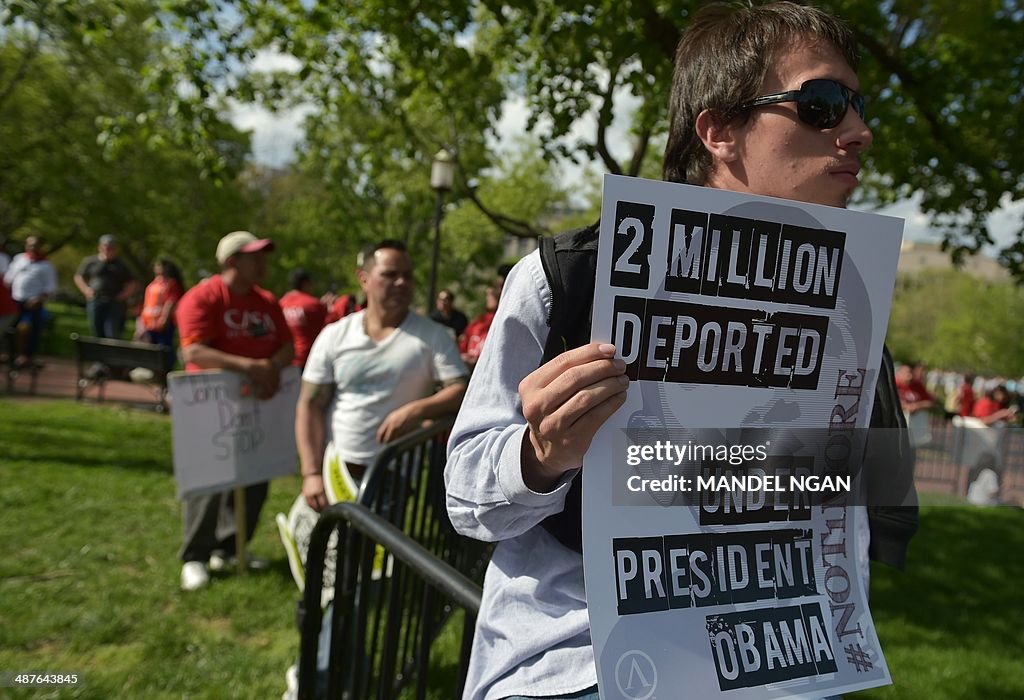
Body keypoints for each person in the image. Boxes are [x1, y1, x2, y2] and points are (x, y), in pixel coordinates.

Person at [446, 4, 917, 699]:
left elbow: (853, 516)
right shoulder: (572, 279)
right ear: (719, 130)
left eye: (857, 105)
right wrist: (540, 457)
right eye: (822, 104)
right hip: (588, 668)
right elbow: (465, 498)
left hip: (784, 669)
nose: (858, 132)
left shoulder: (851, 298)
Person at [296, 239, 468, 512]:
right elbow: (310, 403)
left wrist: (417, 410)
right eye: (390, 274)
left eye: (407, 275)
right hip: (335, 470)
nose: (402, 282)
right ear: (363, 279)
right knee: (328, 552)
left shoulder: (433, 336)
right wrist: (311, 473)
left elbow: (460, 389)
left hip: (392, 474)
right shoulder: (335, 334)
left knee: (374, 554)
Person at [175, 230, 294, 591]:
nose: (262, 263)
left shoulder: (267, 302)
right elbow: (194, 352)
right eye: (253, 256)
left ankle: (230, 548)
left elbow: (288, 346)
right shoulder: (203, 297)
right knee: (209, 482)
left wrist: (270, 366)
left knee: (255, 476)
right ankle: (195, 555)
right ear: (232, 262)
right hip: (211, 407)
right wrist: (250, 366)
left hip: (259, 405)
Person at [4, 236, 58, 369]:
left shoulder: (46, 265)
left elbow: (51, 288)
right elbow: (8, 279)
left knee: (28, 329)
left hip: (33, 304)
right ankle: (11, 354)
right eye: (30, 245)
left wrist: (38, 299)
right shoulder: (19, 259)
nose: (32, 248)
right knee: (10, 329)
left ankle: (27, 356)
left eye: (35, 246)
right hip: (15, 301)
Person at [74, 234, 137, 339]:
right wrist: (86, 290)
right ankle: (98, 354)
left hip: (114, 302)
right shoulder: (91, 261)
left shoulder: (120, 264)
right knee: (96, 330)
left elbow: (133, 282)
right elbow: (79, 276)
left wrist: (124, 295)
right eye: (106, 246)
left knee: (112, 332)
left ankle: (111, 354)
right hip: (96, 300)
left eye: (111, 247)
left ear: (116, 249)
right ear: (100, 247)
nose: (108, 249)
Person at [135, 257, 184, 369]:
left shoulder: (171, 283)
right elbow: (146, 304)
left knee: (164, 349)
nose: (158, 268)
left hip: (163, 324)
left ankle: (165, 372)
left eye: (161, 265)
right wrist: (141, 322)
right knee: (150, 349)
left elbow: (171, 301)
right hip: (149, 323)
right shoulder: (152, 284)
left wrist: (164, 318)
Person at [280, 268, 328, 368]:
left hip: (286, 360)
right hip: (308, 360)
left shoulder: (281, 303)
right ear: (306, 283)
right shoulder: (314, 304)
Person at [458, 284, 498, 369]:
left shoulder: (501, 320)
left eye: (492, 295)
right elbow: (464, 342)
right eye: (487, 295)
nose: (489, 298)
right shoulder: (479, 321)